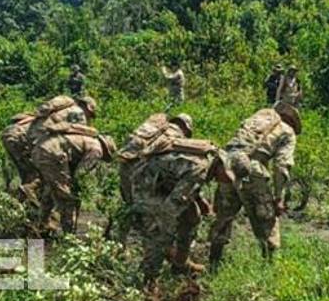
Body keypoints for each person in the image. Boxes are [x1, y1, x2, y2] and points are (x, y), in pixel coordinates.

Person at [208, 103, 300, 268]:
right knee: (267, 220)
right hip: (252, 169)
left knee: (223, 216)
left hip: (227, 164)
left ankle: (213, 263)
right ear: (292, 121)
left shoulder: (255, 120)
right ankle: (270, 268)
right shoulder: (288, 131)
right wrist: (279, 197)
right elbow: (282, 166)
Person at [132, 137, 230, 281]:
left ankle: (180, 264)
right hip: (146, 185)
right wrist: (167, 233)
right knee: (161, 232)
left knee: (192, 216)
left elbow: (182, 178)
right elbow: (170, 209)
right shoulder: (201, 169)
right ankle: (148, 277)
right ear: (221, 166)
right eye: (228, 177)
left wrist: (199, 199)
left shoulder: (210, 160)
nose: (226, 181)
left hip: (164, 183)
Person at [2, 95, 96, 200]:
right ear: (87, 108)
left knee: (30, 177)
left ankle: (19, 206)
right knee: (40, 177)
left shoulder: (61, 108)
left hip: (14, 134)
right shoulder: (78, 113)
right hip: (25, 140)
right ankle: (25, 207)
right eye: (90, 115)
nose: (89, 118)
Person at [29, 123, 116, 236]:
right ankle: (68, 235)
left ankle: (41, 226)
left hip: (40, 150)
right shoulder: (96, 149)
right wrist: (78, 189)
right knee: (68, 198)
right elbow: (81, 172)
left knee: (50, 189)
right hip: (53, 155)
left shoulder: (88, 140)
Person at [116, 112, 192, 241]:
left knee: (129, 205)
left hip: (127, 167)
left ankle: (116, 242)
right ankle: (141, 243)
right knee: (147, 213)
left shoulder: (155, 130)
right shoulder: (177, 137)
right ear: (186, 127)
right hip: (144, 175)